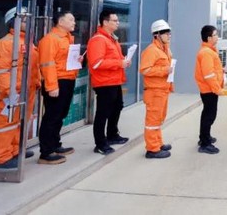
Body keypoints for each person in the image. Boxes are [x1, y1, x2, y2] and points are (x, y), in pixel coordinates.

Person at [0, 6, 40, 169]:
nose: (28, 22)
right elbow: (2, 71)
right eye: (24, 19)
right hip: (13, 92)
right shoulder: (5, 43)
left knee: (20, 122)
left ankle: (15, 150)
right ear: (13, 22)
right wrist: (10, 92)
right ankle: (1, 157)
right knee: (6, 123)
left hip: (27, 90)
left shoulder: (27, 42)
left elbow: (33, 66)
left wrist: (37, 82)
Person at [37, 10, 82, 165]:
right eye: (71, 19)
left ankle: (55, 144)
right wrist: (52, 86)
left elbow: (63, 61)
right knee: (51, 116)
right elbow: (47, 65)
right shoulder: (50, 39)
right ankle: (46, 152)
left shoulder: (67, 39)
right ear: (60, 22)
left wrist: (77, 60)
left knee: (60, 115)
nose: (74, 22)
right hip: (57, 82)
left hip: (68, 80)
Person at [87, 10, 130, 155]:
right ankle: (100, 143)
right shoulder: (98, 40)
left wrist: (123, 61)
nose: (118, 23)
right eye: (115, 20)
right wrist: (119, 63)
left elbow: (114, 58)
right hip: (104, 82)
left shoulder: (111, 39)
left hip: (114, 80)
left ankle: (112, 135)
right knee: (103, 112)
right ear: (105, 22)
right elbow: (96, 63)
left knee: (117, 107)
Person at [139, 19, 174, 159]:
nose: (169, 35)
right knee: (153, 121)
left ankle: (158, 143)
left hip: (162, 90)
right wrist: (165, 70)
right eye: (166, 33)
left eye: (169, 32)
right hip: (154, 91)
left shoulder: (164, 49)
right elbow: (145, 69)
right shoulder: (151, 51)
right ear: (157, 35)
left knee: (159, 119)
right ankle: (152, 149)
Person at [195, 25, 224, 154]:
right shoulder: (206, 53)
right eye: (215, 34)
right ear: (209, 38)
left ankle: (205, 137)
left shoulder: (209, 51)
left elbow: (213, 70)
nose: (217, 37)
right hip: (209, 89)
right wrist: (217, 89)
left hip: (210, 88)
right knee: (209, 115)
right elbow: (208, 75)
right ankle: (205, 143)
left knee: (208, 114)